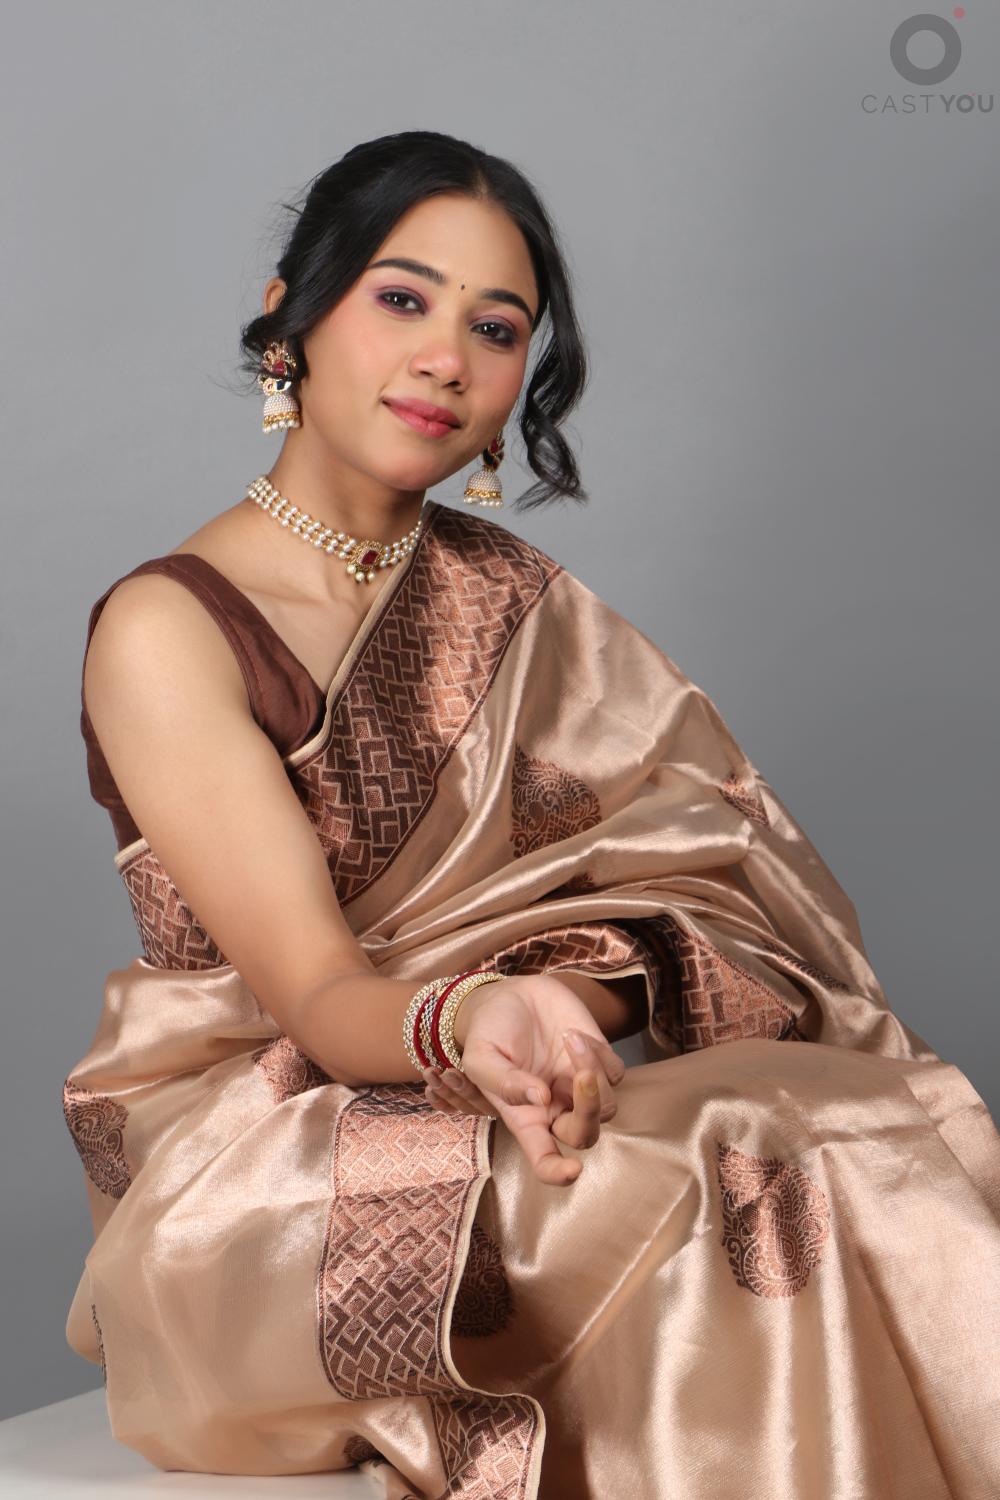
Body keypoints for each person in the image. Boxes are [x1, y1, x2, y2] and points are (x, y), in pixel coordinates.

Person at [62, 130, 1000, 1500]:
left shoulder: (513, 597)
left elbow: (697, 881)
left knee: (870, 1114)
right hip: (270, 1143)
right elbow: (321, 997)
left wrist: (567, 1012)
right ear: (290, 318)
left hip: (510, 1083)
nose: (445, 357)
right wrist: (472, 1018)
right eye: (402, 298)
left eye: (495, 328)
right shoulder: (170, 628)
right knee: (740, 1151)